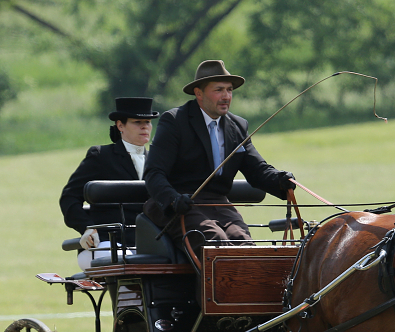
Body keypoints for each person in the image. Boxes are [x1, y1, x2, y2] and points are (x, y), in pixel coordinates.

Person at [143, 60, 295, 250]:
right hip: (180, 207)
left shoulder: (237, 126)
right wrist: (173, 200)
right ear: (199, 93)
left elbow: (256, 169)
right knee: (215, 240)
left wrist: (279, 180)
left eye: (230, 90)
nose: (226, 96)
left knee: (244, 243)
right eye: (219, 90)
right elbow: (153, 172)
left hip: (219, 205)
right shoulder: (175, 121)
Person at [59, 97, 159, 269]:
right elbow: (69, 198)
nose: (145, 127)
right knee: (125, 263)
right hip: (107, 244)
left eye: (148, 122)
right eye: (137, 122)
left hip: (148, 244)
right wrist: (88, 228)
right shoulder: (101, 157)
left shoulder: (158, 161)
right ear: (120, 125)